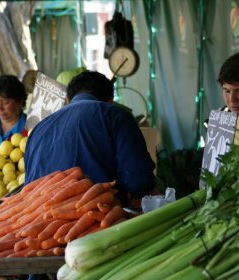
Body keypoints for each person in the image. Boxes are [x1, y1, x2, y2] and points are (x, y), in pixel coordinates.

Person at [24, 70, 156, 206]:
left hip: (37, 218)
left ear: (67, 99)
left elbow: (27, 190)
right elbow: (138, 182)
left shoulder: (38, 129)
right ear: (110, 99)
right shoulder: (115, 116)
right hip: (98, 217)